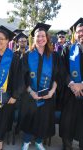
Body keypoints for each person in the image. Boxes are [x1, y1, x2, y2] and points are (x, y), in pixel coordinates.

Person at [20, 23, 61, 150]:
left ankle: (38, 141)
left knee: (44, 120)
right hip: (30, 95)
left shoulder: (54, 56)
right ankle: (26, 142)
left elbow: (57, 76)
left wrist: (52, 91)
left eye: (43, 36)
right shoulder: (27, 55)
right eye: (38, 36)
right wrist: (31, 92)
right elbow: (22, 77)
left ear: (47, 38)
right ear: (34, 38)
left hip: (47, 96)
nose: (40, 39)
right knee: (29, 119)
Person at [59, 17, 83, 150]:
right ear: (75, 33)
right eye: (79, 31)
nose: (81, 33)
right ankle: (67, 144)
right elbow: (62, 69)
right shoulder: (68, 49)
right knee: (68, 120)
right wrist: (72, 84)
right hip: (70, 92)